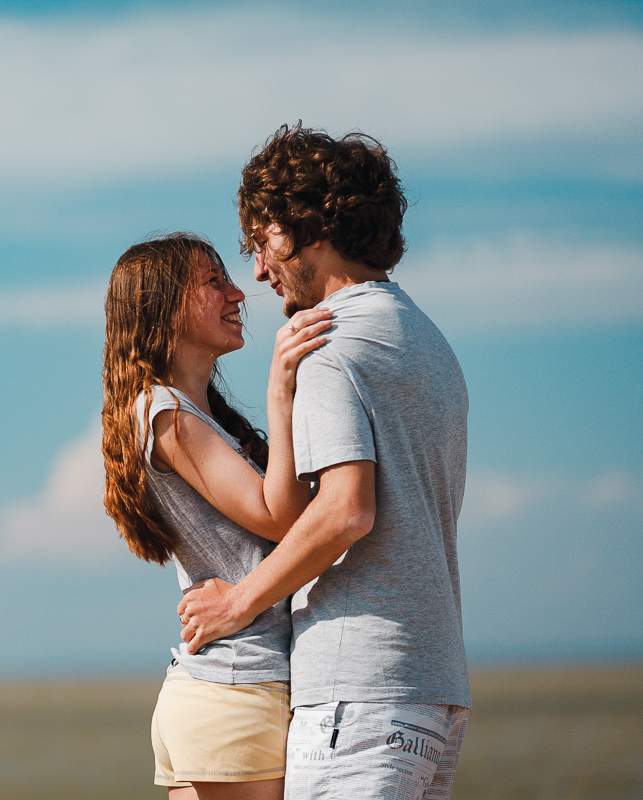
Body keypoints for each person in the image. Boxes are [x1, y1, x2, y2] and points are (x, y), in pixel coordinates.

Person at [178, 124, 471, 799]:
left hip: (359, 699)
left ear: (309, 229)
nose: (255, 270)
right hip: (435, 693)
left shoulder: (330, 347)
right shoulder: (426, 341)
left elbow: (346, 511)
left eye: (261, 242)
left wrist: (238, 603)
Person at [102, 232, 333, 799]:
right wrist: (281, 391)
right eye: (214, 282)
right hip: (237, 692)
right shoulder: (166, 414)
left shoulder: (195, 417)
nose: (239, 294)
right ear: (162, 307)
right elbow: (281, 518)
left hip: (215, 696)